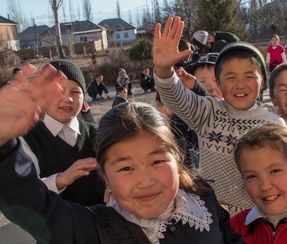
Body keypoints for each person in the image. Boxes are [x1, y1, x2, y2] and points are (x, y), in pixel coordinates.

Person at [0, 79, 243, 244]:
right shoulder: (95, 229)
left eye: (157, 161)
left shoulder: (202, 198)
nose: (145, 181)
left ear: (176, 158)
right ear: (104, 175)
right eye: (126, 168)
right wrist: (3, 142)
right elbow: (31, 206)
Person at [153, 17, 284, 210]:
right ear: (218, 82)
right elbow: (174, 96)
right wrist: (164, 69)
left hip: (256, 217)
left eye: (249, 76)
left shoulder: (273, 124)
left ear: (263, 81)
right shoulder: (208, 111)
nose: (240, 84)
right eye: (230, 77)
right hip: (211, 214)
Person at [21, 59, 105, 206]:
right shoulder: (27, 140)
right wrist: (60, 179)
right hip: (56, 226)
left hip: (102, 221)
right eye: (58, 90)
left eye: (75, 91)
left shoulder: (96, 133)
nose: (68, 98)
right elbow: (24, 192)